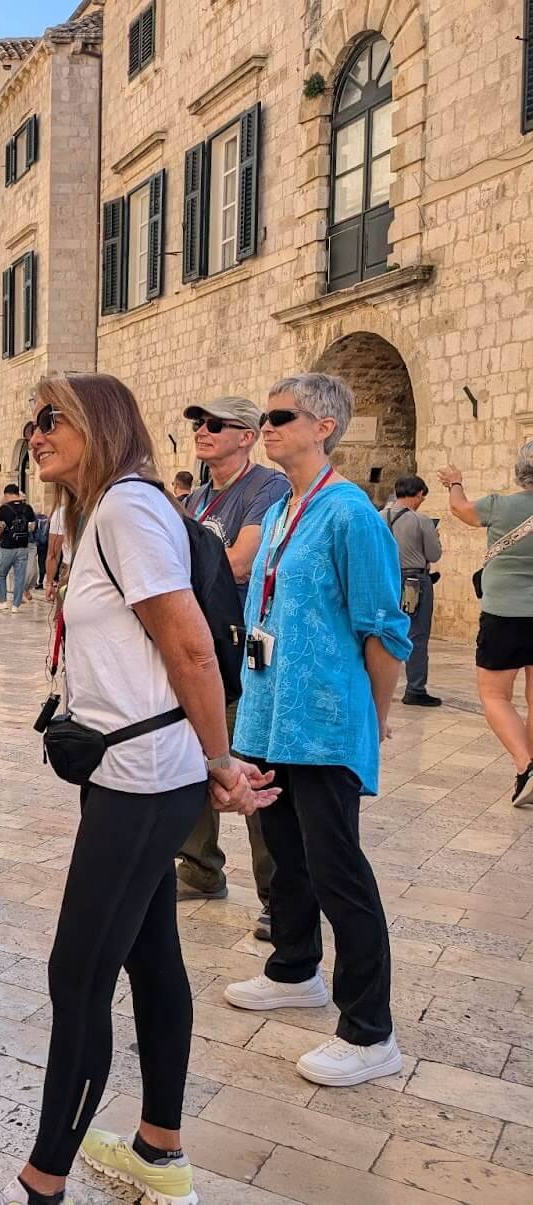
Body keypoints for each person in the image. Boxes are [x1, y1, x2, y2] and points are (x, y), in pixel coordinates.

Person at [0, 374, 277, 1205]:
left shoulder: (127, 510)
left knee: (76, 976)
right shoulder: (105, 511)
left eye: (53, 418)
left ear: (100, 423)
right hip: (138, 771)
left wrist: (222, 762)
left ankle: (42, 1181)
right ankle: (159, 1147)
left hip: (147, 781)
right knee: (151, 957)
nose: (36, 433)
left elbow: (186, 644)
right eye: (31, 421)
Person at [222, 373, 411, 1088]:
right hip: (274, 715)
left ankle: (370, 1031)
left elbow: (385, 630)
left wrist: (375, 716)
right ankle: (295, 967)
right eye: (265, 415)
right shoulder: (280, 512)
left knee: (339, 870)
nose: (267, 427)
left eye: (281, 416)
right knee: (287, 855)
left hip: (326, 721)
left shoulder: (350, 513)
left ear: (324, 425)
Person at [173, 396, 291, 942]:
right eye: (200, 423)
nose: (203, 431)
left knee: (246, 763)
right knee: (195, 753)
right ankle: (199, 868)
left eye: (216, 425)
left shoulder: (265, 489)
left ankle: (277, 893)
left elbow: (240, 560)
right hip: (200, 644)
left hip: (241, 649)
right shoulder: (196, 498)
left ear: (247, 435)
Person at [439, 443, 533, 806]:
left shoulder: (500, 506)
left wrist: (455, 483)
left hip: (504, 615)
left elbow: (462, 510)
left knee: (494, 695)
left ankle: (526, 765)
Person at [383, 475, 444, 708]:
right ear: (418, 494)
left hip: (385, 579)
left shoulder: (377, 517)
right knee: (417, 634)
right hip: (414, 581)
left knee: (381, 632)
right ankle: (415, 688)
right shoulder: (421, 520)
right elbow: (434, 554)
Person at [0, 484, 35, 613]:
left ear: (7, 495)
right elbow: (32, 527)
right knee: (19, 577)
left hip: (7, 547)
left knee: (1, 574)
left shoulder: (3, 509)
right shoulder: (27, 508)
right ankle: (16, 605)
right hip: (22, 546)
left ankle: (2, 602)